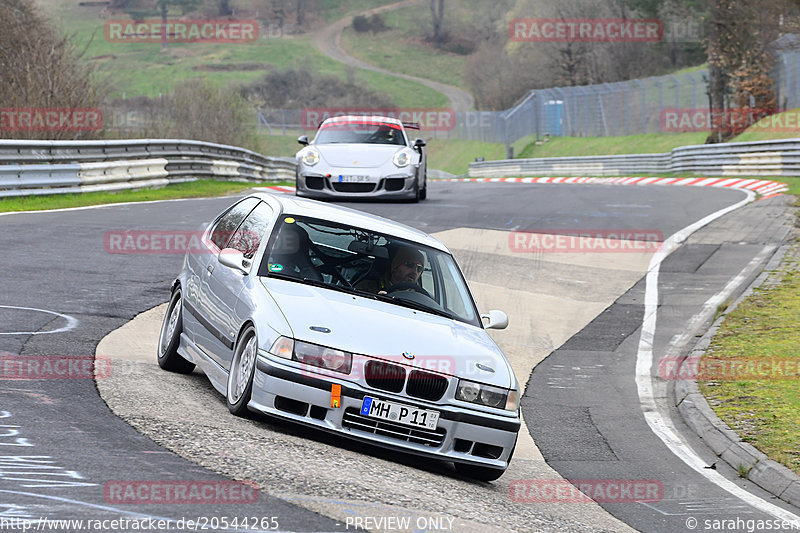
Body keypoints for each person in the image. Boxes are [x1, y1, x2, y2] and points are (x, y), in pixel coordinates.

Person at [356, 245, 425, 294]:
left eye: (419, 268)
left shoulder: (421, 298)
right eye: (410, 264)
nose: (414, 271)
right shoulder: (367, 287)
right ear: (395, 266)